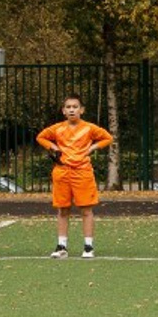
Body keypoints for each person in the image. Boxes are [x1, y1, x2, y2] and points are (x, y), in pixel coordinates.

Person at [36, 95, 113, 259]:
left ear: (81, 110)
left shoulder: (90, 128)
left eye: (75, 106)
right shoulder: (57, 128)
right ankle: (62, 245)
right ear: (64, 111)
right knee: (63, 209)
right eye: (68, 107)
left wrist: (92, 147)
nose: (72, 109)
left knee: (86, 209)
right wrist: (53, 146)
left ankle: (88, 246)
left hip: (82, 172)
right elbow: (40, 137)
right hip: (62, 172)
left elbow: (108, 138)